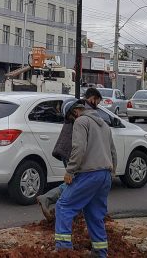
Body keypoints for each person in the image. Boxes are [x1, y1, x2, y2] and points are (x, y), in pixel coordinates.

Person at [54, 97, 117, 257]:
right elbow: (113, 152)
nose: (70, 122)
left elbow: (79, 148)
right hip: (105, 174)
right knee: (94, 214)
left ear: (75, 112)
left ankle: (64, 251)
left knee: (63, 206)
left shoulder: (81, 122)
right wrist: (112, 172)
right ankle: (100, 252)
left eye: (69, 118)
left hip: (89, 174)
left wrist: (70, 171)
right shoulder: (104, 125)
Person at [35, 98, 85, 221]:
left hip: (67, 151)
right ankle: (54, 203)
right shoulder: (79, 117)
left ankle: (66, 209)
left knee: (76, 182)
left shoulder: (77, 114)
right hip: (70, 152)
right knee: (77, 182)